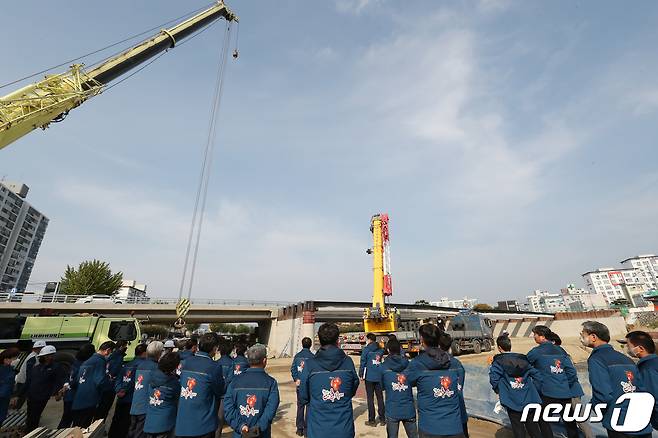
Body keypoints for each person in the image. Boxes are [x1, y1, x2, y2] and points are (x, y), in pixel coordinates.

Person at [581, 321, 652, 438]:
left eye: (583, 334)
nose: (581, 338)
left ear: (593, 337)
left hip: (619, 421)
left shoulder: (597, 359)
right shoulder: (626, 359)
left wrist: (596, 407)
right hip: (640, 420)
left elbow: (603, 395)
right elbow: (642, 389)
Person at [299, 322, 359, 438]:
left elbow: (303, 395)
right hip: (344, 429)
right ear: (337, 340)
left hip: (318, 428)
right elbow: (353, 388)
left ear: (320, 341)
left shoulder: (310, 365)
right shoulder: (348, 362)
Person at [405, 323, 464, 438]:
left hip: (430, 427)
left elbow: (407, 380)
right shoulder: (454, 362)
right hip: (454, 426)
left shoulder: (417, 364)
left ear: (422, 339)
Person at [527, 325, 581, 438]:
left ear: (542, 336)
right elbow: (571, 371)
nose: (534, 337)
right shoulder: (560, 350)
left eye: (535, 335)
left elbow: (525, 365)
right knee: (570, 421)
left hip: (546, 392)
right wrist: (565, 384)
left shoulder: (536, 352)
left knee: (543, 419)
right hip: (565, 392)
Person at [489, 334, 543, 438]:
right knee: (533, 427)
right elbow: (538, 376)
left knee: (518, 428)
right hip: (528, 398)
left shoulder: (498, 362)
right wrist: (535, 390)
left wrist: (499, 391)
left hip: (511, 400)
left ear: (499, 348)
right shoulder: (523, 360)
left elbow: (494, 379)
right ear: (510, 346)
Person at [175, 333, 225, 438]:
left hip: (182, 421)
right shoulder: (214, 367)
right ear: (215, 348)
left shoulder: (186, 362)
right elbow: (220, 390)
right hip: (203, 424)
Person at [224, 344, 280, 438]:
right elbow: (271, 410)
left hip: (240, 434)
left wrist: (241, 426)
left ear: (248, 361)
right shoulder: (271, 383)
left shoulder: (235, 382)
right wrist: (258, 427)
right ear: (264, 361)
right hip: (262, 433)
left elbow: (228, 407)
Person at [22, 345, 67, 432]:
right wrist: (20, 395)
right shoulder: (36, 368)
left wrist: (57, 393)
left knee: (35, 417)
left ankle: (31, 432)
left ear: (49, 356)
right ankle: (28, 431)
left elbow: (59, 381)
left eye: (43, 356)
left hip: (42, 397)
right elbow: (29, 381)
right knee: (30, 416)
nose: (40, 357)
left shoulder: (56, 368)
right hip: (31, 396)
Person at [72, 340, 116, 428]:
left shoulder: (87, 361)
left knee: (76, 428)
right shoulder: (100, 361)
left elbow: (76, 381)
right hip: (89, 400)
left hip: (78, 400)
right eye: (111, 353)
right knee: (84, 429)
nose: (111, 356)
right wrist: (111, 383)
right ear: (107, 351)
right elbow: (100, 381)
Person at [108, 343, 148, 438]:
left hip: (121, 398)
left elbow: (118, 379)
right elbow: (135, 381)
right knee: (127, 425)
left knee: (116, 420)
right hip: (131, 399)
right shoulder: (142, 366)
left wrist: (119, 390)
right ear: (144, 353)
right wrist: (125, 390)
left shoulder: (127, 364)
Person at [380, 338, 417, 438]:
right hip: (408, 408)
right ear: (400, 349)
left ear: (388, 350)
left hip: (392, 409)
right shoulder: (409, 365)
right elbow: (414, 382)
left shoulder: (383, 367)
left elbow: (381, 386)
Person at [622, 330, 658, 432]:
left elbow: (653, 395)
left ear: (640, 348)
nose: (627, 349)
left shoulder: (647, 368)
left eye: (629, 346)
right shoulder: (654, 362)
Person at [129, 341, 164, 438]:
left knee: (132, 432)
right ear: (159, 353)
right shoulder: (156, 368)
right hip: (146, 407)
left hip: (135, 405)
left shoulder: (140, 365)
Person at [143, 352, 181, 438]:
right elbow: (178, 397)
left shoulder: (152, 376)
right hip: (165, 422)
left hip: (150, 420)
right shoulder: (173, 383)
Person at [438, 333, 468, 437]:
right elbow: (460, 385)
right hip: (458, 408)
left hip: (442, 412)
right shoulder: (457, 364)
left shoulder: (433, 365)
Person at [59, 343, 95, 428]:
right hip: (75, 396)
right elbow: (77, 380)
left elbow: (69, 377)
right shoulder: (84, 365)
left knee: (66, 419)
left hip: (68, 396)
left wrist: (66, 386)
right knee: (74, 421)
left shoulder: (75, 362)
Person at [97, 340, 128, 421]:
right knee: (105, 407)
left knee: (102, 407)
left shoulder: (113, 356)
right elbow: (115, 370)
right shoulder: (118, 356)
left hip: (108, 384)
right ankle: (100, 425)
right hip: (110, 385)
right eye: (125, 346)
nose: (126, 348)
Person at [290, 337, 314, 436]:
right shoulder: (313, 357)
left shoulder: (297, 356)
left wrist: (296, 379)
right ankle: (307, 429)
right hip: (310, 386)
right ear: (311, 345)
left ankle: (299, 428)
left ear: (302, 344)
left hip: (300, 386)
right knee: (309, 406)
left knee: (300, 406)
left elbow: (293, 369)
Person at [14, 340, 46, 408]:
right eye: (42, 348)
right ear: (37, 349)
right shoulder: (33, 358)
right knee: (18, 402)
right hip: (23, 382)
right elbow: (29, 376)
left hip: (26, 382)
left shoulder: (36, 356)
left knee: (21, 402)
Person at [363, 335, 386, 426]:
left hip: (369, 377)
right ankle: (382, 419)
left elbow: (363, 362)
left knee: (370, 398)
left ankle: (372, 420)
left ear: (369, 339)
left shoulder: (366, 350)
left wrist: (361, 374)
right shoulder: (380, 350)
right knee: (380, 398)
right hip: (379, 376)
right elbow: (384, 350)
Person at [216, 339, 234, 437]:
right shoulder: (231, 363)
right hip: (225, 395)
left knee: (217, 424)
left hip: (216, 395)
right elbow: (230, 380)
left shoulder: (216, 362)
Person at [0, 348, 19, 425]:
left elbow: (12, 384)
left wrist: (13, 396)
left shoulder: (11, 369)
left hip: (5, 399)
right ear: (5, 359)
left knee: (1, 417)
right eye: (13, 358)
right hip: (2, 397)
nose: (14, 360)